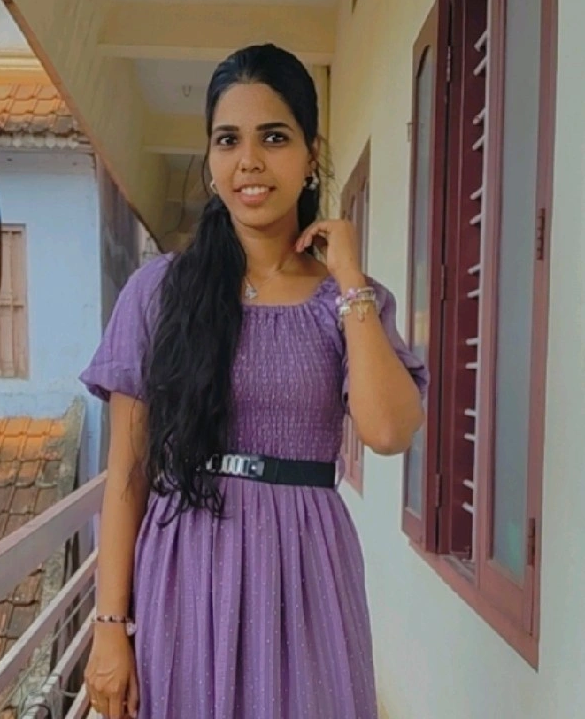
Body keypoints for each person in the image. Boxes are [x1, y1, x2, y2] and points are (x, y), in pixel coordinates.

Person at [79, 43, 428, 719]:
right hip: (185, 569)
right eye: (228, 140)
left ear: (310, 155)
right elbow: (127, 470)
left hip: (306, 571)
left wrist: (349, 278)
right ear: (210, 162)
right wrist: (110, 626)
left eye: (273, 137)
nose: (249, 161)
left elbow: (388, 431)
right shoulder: (160, 293)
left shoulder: (346, 302)